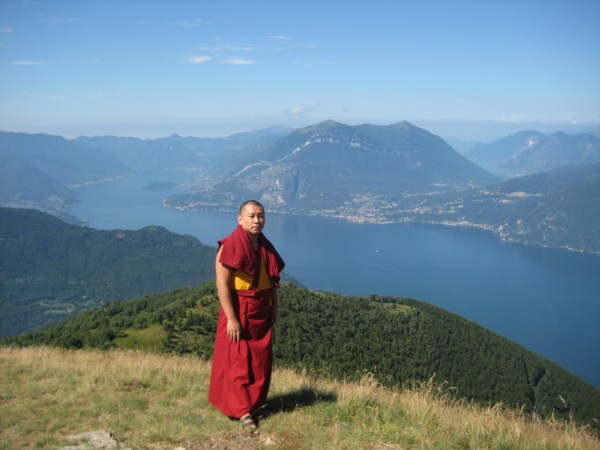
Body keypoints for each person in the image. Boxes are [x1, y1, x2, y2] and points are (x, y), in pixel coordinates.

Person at [208, 200, 285, 432]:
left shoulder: (264, 246)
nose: (257, 220)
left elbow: (271, 280)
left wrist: (274, 305)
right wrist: (232, 318)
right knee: (239, 360)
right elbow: (222, 285)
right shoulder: (230, 246)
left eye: (260, 216)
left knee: (259, 360)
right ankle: (242, 411)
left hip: (261, 308)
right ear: (239, 219)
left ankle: (254, 402)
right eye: (251, 216)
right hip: (239, 309)